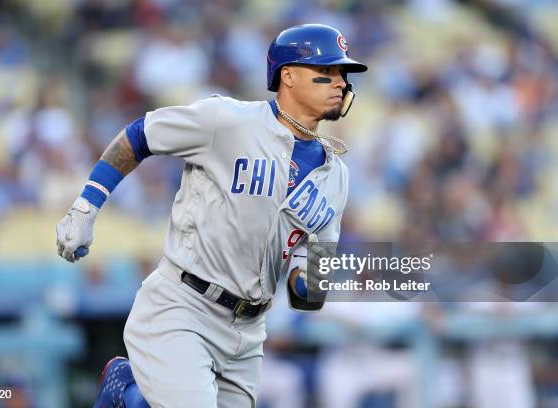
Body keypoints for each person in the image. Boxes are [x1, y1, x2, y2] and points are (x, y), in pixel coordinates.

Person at [56, 23, 367, 408]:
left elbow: (308, 289)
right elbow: (141, 135)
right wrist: (87, 205)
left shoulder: (336, 177)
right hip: (184, 305)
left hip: (248, 331)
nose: (340, 83)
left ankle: (129, 397)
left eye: (343, 75)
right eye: (328, 72)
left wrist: (314, 279)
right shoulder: (229, 120)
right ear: (288, 75)